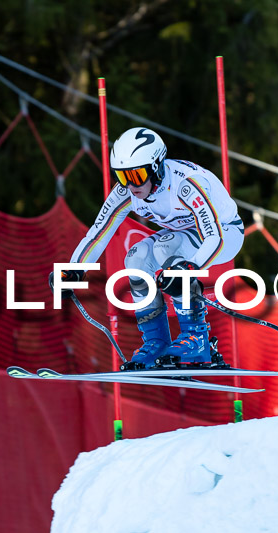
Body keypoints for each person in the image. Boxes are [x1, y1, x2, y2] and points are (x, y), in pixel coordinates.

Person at [59, 127, 244, 368]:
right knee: (136, 258)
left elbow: (215, 238)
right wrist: (74, 269)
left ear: (156, 168)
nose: (129, 185)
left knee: (165, 251)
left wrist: (189, 269)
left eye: (136, 176)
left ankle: (197, 338)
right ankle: (156, 342)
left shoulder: (185, 185)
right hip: (185, 234)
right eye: (122, 176)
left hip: (225, 232)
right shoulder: (126, 192)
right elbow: (98, 233)